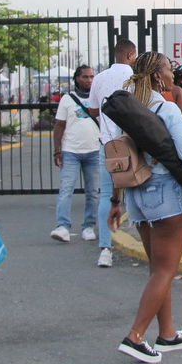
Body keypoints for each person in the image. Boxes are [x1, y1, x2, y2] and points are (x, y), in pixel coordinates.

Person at [106, 52, 182, 364]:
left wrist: (116, 201)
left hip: (137, 194)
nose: (174, 75)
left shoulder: (132, 108)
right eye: (170, 70)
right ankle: (135, 336)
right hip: (165, 192)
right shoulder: (167, 108)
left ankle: (168, 333)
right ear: (159, 77)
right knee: (164, 269)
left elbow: (124, 156)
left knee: (158, 269)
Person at [87, 38, 138, 267]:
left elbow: (93, 109)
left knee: (107, 194)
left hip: (107, 144)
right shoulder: (137, 79)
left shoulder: (99, 78)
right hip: (135, 142)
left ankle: (105, 250)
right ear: (130, 55)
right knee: (139, 191)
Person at [51, 65, 101, 243]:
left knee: (93, 191)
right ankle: (62, 226)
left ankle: (88, 226)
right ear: (77, 79)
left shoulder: (98, 98)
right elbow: (59, 126)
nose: (89, 80)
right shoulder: (67, 99)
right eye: (85, 77)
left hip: (94, 151)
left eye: (91, 77)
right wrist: (57, 150)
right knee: (66, 190)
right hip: (71, 151)